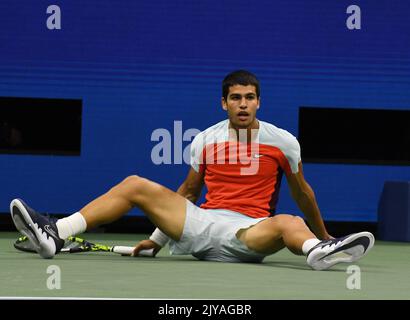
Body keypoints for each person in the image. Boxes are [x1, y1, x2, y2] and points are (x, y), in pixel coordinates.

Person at [10, 70, 374, 271]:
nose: (243, 104)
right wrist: (156, 240)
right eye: (236, 98)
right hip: (201, 226)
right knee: (135, 184)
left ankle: (319, 251)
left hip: (248, 234)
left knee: (291, 221)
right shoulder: (204, 140)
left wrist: (325, 234)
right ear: (224, 102)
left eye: (249, 97)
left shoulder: (283, 142)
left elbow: (303, 193)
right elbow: (187, 193)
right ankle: (57, 232)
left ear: (259, 101)